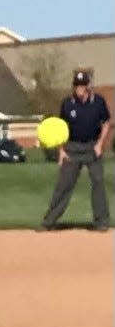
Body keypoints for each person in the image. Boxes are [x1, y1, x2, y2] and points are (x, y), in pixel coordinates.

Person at [39, 70, 111, 232]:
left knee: (98, 183)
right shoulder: (67, 103)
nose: (79, 88)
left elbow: (106, 123)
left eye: (82, 85)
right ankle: (49, 221)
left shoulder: (98, 102)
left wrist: (100, 144)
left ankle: (102, 222)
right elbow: (60, 129)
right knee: (64, 185)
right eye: (77, 85)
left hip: (92, 148)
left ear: (88, 86)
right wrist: (61, 151)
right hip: (72, 148)